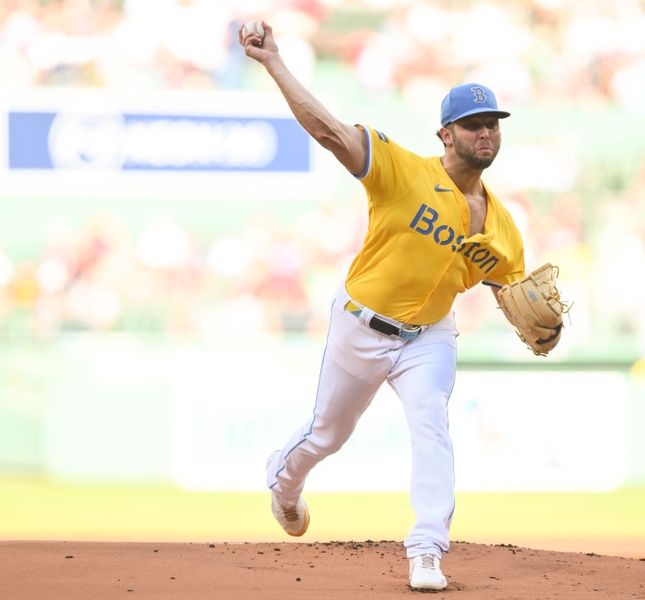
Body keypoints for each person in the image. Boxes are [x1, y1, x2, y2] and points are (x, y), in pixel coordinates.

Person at [240, 20, 526, 592]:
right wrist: (274, 62)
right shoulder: (400, 170)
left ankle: (426, 551)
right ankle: (284, 480)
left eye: (493, 124)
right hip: (361, 324)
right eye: (474, 125)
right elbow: (326, 130)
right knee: (328, 433)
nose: (486, 133)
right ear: (446, 135)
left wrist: (540, 324)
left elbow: (512, 292)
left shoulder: (504, 228)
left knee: (431, 428)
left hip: (430, 336)